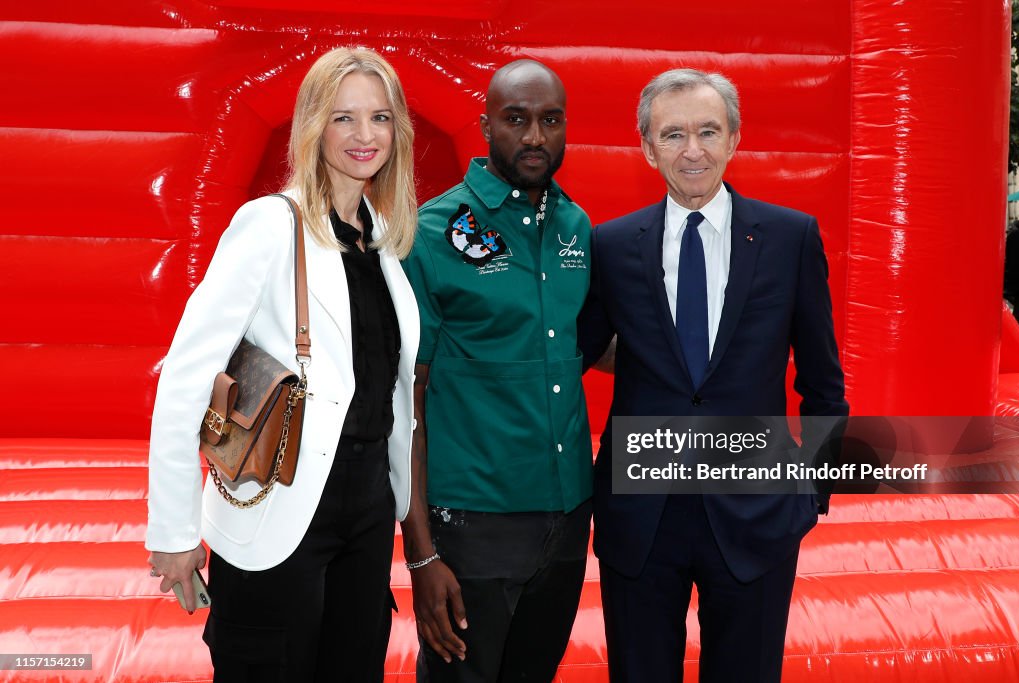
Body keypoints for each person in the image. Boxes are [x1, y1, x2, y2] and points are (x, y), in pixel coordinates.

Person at [145, 47, 420, 682]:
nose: (363, 136)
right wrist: (175, 530)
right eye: (343, 118)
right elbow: (187, 377)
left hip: (369, 510)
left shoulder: (382, 239)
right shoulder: (270, 225)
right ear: (313, 125)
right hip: (280, 499)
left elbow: (390, 388)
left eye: (379, 118)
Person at [578, 68, 848, 682]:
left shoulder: (790, 238)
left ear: (733, 139)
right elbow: (569, 355)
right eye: (673, 134)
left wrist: (812, 493)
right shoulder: (612, 246)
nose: (692, 150)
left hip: (758, 513)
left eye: (707, 131)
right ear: (648, 148)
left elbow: (823, 381)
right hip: (641, 519)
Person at [400, 59, 593, 683]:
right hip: (472, 525)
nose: (534, 137)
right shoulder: (432, 232)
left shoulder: (576, 225)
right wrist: (422, 555)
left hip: (566, 521)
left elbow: (578, 343)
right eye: (516, 119)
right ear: (485, 125)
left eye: (550, 120)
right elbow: (407, 402)